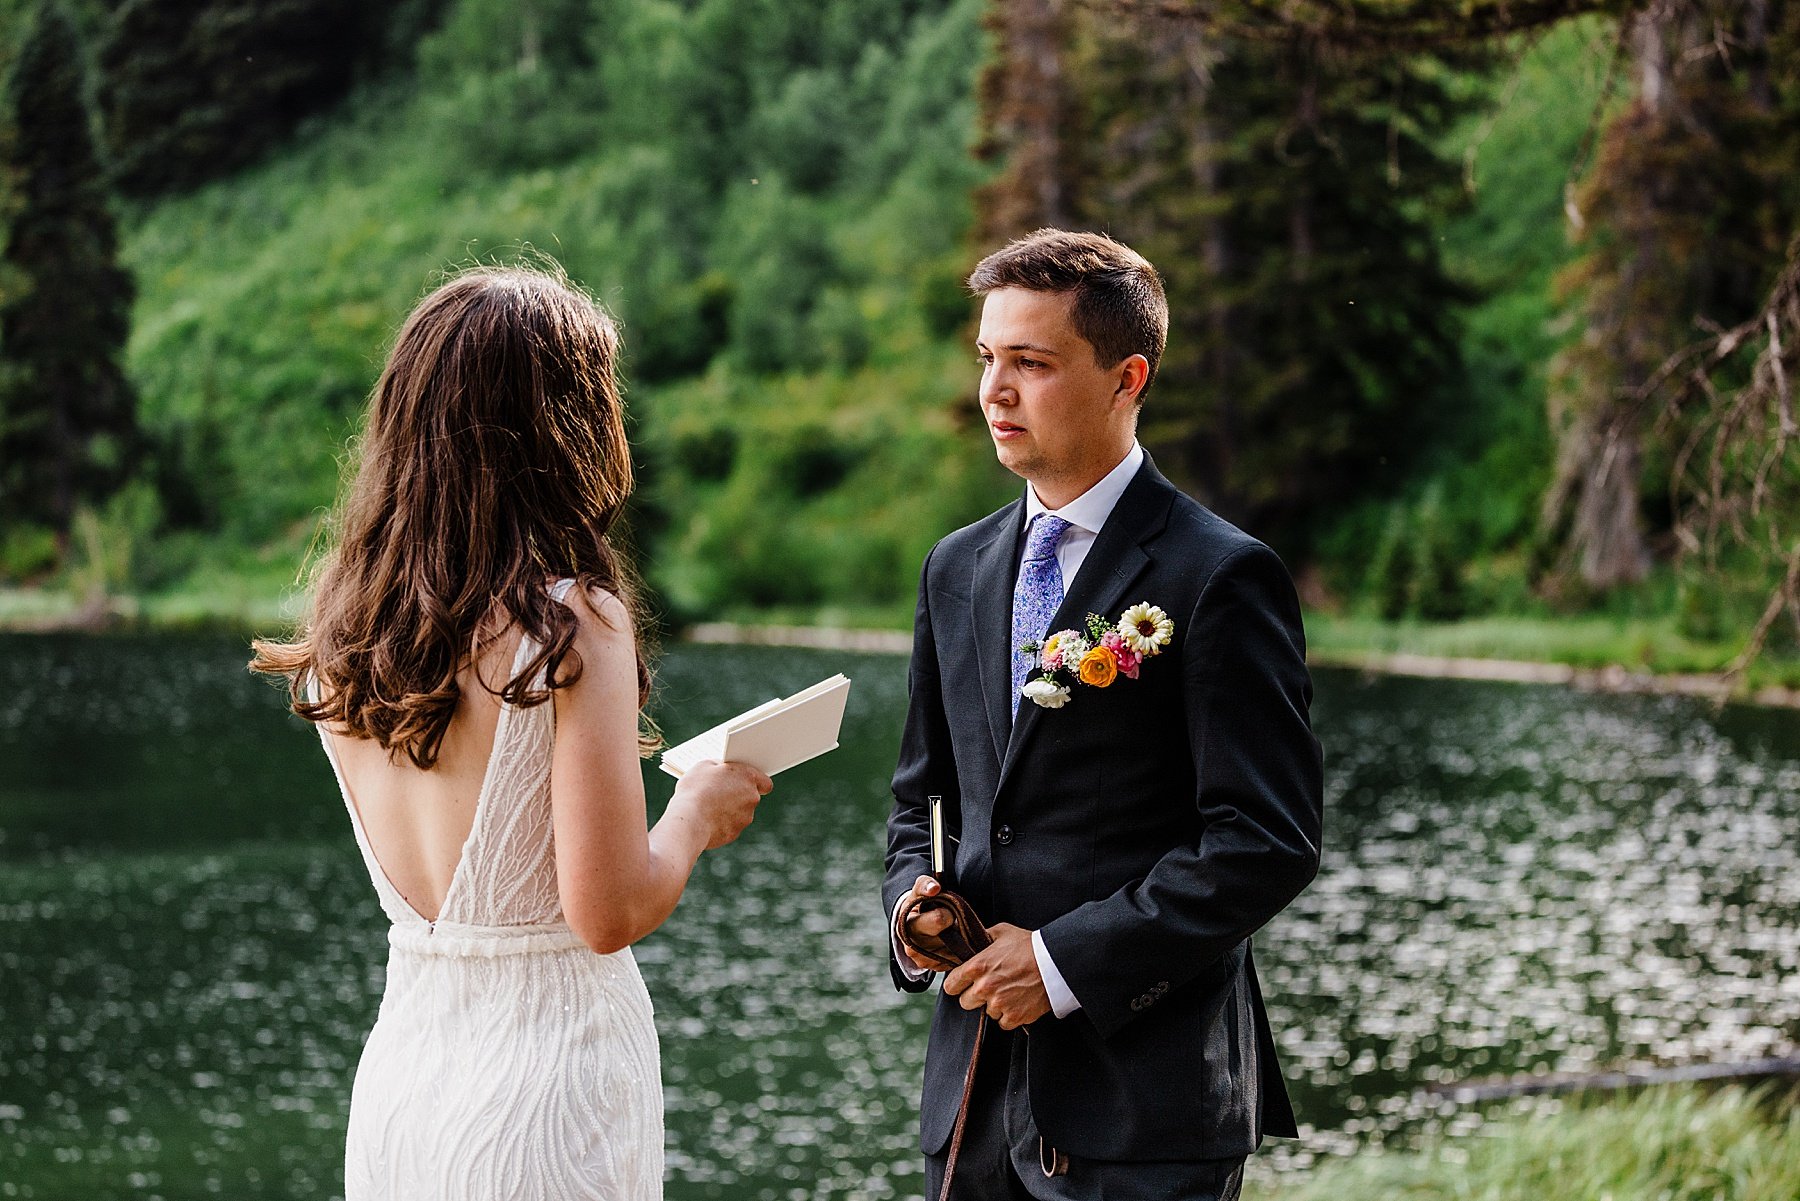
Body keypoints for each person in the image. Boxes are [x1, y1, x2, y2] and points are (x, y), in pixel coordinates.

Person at [251, 264, 771, 1200]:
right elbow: (606, 913)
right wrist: (695, 811)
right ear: (561, 428)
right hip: (547, 1098)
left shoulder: (345, 634)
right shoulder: (574, 622)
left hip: (404, 1089)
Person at [883, 229, 1324, 1200]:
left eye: (1031, 364)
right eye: (988, 358)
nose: (995, 389)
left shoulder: (1219, 575)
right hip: (969, 1099)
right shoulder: (953, 568)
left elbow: (1266, 840)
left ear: (1127, 377)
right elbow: (924, 797)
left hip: (1145, 1109)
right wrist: (911, 911)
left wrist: (1060, 960)